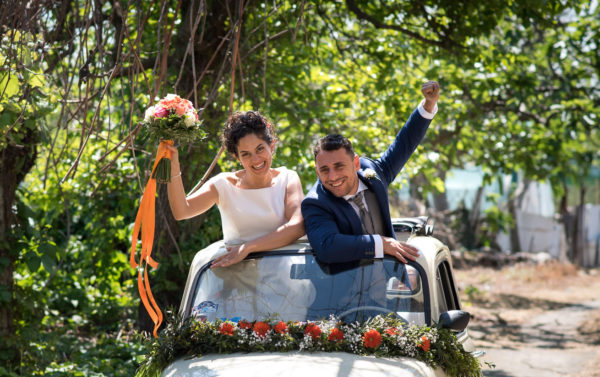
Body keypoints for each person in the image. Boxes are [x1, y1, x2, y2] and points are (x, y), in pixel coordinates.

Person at [301, 81, 440, 267]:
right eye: (324, 170)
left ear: (356, 163)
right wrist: (380, 244)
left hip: (390, 286)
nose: (332, 176)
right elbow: (327, 246)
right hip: (341, 293)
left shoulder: (373, 174)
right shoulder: (316, 203)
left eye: (339, 166)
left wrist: (428, 105)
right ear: (317, 171)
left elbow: (404, 144)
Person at [166, 110, 305, 268]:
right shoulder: (223, 185)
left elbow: (297, 227)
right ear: (237, 157)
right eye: (246, 154)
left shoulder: (288, 178)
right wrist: (173, 165)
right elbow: (181, 211)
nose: (256, 159)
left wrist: (247, 248)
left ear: (271, 145)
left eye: (260, 149)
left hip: (284, 275)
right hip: (237, 280)